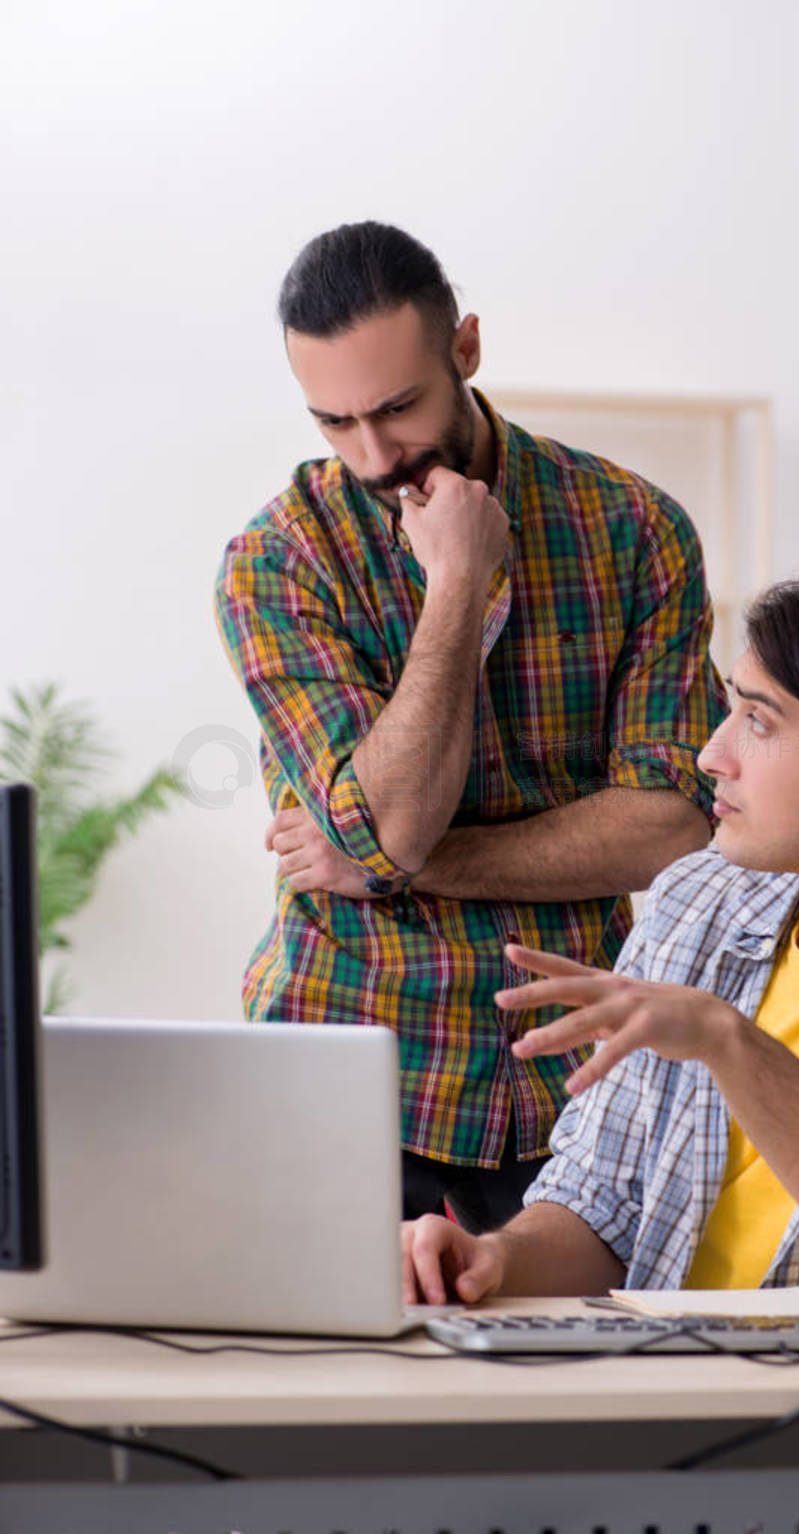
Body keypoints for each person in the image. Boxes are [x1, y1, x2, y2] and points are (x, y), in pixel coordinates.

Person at [215, 221, 725, 1228]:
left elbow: (673, 829)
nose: (373, 453)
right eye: (334, 421)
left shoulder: (635, 529)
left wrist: (392, 864)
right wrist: (457, 579)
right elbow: (393, 821)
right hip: (349, 1078)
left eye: (397, 408)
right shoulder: (277, 563)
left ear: (466, 349)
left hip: (575, 1097)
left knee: (571, 1380)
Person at [403, 570, 799, 1303]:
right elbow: (600, 1207)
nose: (710, 756)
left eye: (758, 722)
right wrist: (492, 1259)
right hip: (664, 1375)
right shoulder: (699, 898)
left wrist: (730, 1043)